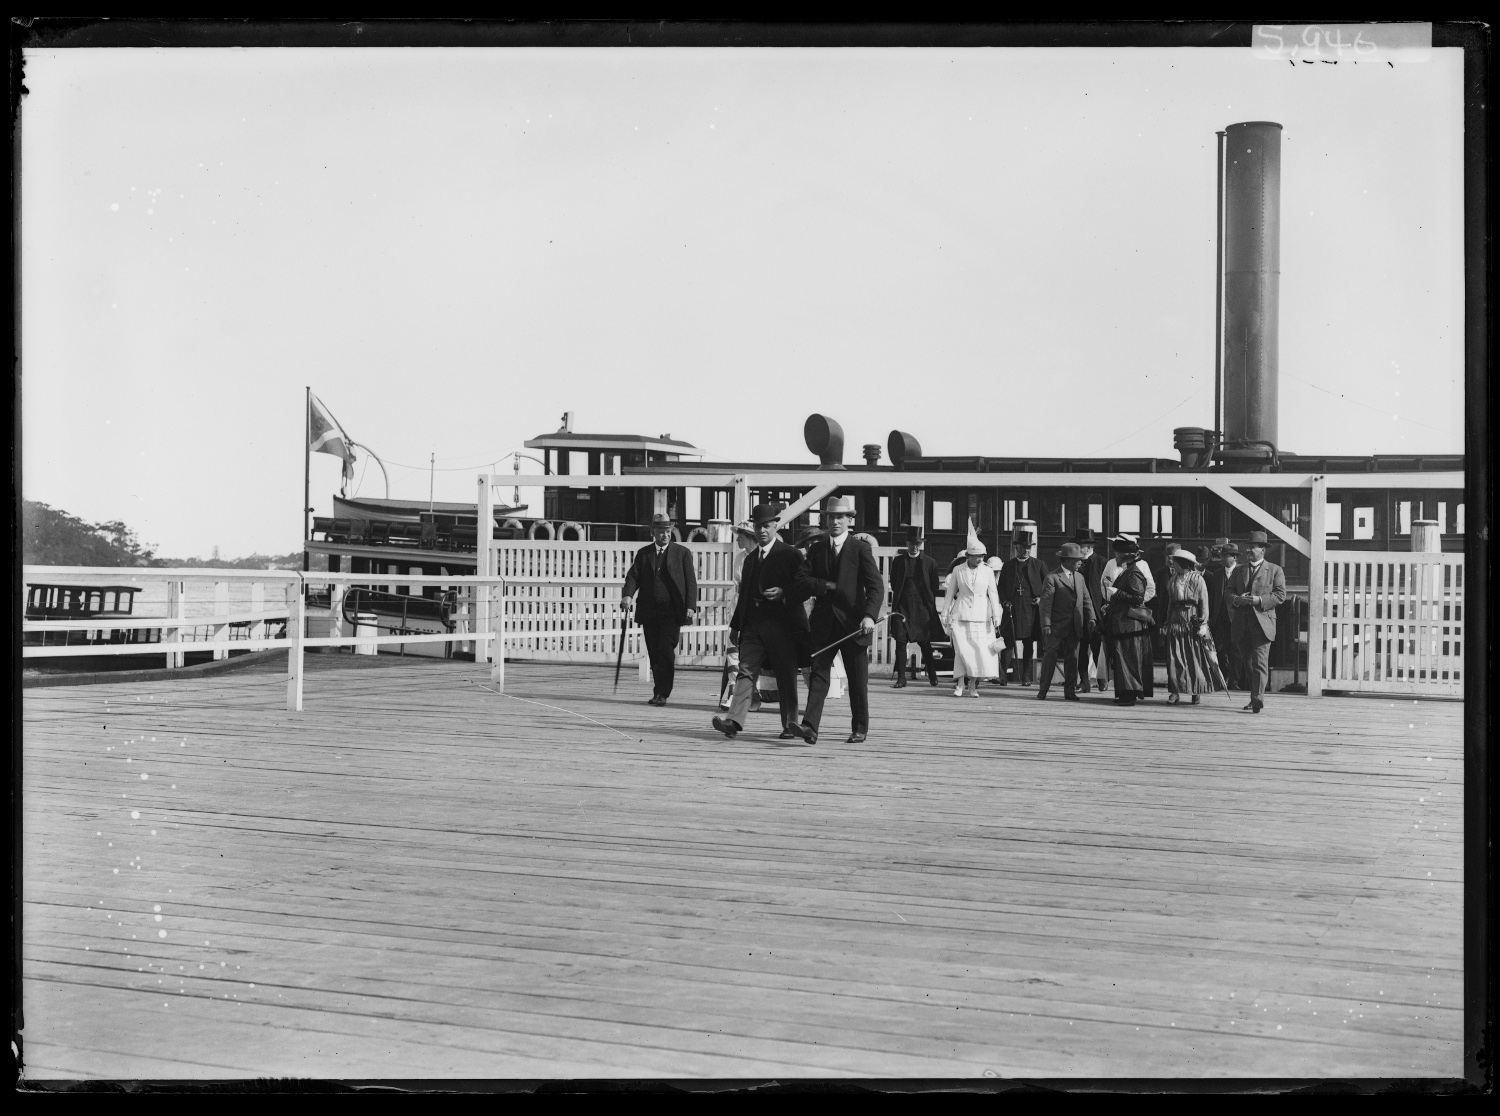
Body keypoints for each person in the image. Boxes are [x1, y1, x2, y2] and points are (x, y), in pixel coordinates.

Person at [714, 504, 815, 741]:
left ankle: (790, 725)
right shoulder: (750, 560)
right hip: (753, 627)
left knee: (786, 676)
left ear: (775, 526)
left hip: (783, 627)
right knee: (745, 672)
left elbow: (804, 588)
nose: (762, 531)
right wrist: (736, 627)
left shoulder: (791, 555)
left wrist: (784, 592)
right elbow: (745, 596)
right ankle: (733, 721)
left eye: (766, 526)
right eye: (758, 526)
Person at [798, 497, 883, 745]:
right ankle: (810, 727)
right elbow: (802, 581)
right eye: (831, 517)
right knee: (819, 675)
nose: (835, 521)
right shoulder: (816, 549)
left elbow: (875, 586)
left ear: (849, 520)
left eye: (840, 517)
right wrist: (826, 585)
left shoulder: (860, 549)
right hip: (824, 625)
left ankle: (859, 728)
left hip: (854, 625)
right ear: (826, 520)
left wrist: (869, 615)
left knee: (857, 680)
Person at [621, 512, 698, 706]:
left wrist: (690, 606)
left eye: (668, 531)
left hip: (672, 611)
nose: (665, 535)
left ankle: (663, 692)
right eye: (661, 531)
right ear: (653, 532)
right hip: (650, 611)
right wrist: (627, 595)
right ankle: (658, 691)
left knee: (666, 651)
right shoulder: (644, 554)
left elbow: (691, 582)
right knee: (655, 652)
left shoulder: (682, 553)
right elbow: (633, 576)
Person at [1226, 530, 1286, 714]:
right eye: (1248, 547)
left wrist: (1259, 600)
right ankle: (1254, 697)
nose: (1249, 551)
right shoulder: (1238, 570)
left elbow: (1280, 595)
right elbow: (1227, 594)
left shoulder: (1275, 570)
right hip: (1242, 624)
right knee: (1249, 663)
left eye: (1253, 548)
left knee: (1260, 662)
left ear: (1263, 550)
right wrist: (1237, 599)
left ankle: (1257, 699)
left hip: (1263, 624)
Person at [1162, 549, 1228, 704]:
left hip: (1192, 621)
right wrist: (1167, 622)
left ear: (1183, 563)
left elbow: (1204, 604)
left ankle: (1196, 690)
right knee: (1174, 658)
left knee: (1194, 657)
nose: (1173, 563)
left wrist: (1203, 623)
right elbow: (1170, 604)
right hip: (1176, 622)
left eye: (1176, 561)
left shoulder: (1198, 580)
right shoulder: (1172, 580)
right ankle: (1174, 692)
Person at [942, 534, 1003, 698]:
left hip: (982, 616)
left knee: (979, 651)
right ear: (968, 556)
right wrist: (944, 612)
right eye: (976, 556)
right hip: (960, 615)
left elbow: (993, 594)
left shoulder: (988, 571)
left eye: (982, 556)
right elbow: (950, 593)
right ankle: (960, 684)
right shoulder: (958, 570)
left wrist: (996, 614)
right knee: (962, 652)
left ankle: (973, 686)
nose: (980, 559)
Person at [1037, 542, 1098, 701]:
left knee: (1073, 659)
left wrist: (1091, 617)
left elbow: (1086, 599)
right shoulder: (1052, 578)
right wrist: (1046, 624)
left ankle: (1069, 691)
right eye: (1077, 560)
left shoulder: (1080, 577)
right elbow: (1045, 604)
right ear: (1067, 561)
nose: (1080, 562)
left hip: (1075, 626)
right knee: (1050, 656)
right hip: (1055, 627)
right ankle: (1043, 690)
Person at [1102, 536, 1155, 706]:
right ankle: (1125, 693)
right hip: (1124, 624)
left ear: (1125, 555)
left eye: (1117, 553)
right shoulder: (1129, 571)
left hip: (1129, 626)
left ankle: (1129, 695)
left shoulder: (1133, 573)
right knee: (1123, 658)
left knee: (1128, 659)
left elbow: (1138, 598)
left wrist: (1116, 593)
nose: (1115, 556)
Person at [719, 520, 764, 711]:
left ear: (750, 538)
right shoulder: (739, 558)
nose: (737, 539)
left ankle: (755, 695)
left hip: (756, 607)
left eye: (741, 536)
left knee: (754, 653)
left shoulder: (762, 557)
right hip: (738, 604)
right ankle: (733, 694)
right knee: (733, 651)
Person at [888, 525, 940, 688]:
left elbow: (934, 586)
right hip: (902, 606)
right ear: (907, 543)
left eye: (918, 543)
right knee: (901, 641)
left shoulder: (930, 563)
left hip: (921, 608)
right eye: (912, 543)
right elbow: (894, 583)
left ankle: (932, 674)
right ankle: (901, 678)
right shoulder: (898, 561)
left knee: (925, 643)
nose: (914, 546)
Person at [996, 532, 1045, 686]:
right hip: (1012, 609)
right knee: (1008, 642)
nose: (1026, 550)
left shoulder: (1039, 565)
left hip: (1031, 610)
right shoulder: (1008, 565)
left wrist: (1040, 598)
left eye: (1028, 547)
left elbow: (1048, 587)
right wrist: (1004, 602)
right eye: (1023, 547)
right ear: (1016, 547)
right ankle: (1002, 675)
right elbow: (1001, 587)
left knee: (1029, 643)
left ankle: (1026, 676)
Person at [1204, 540, 1241, 689]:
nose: (1223, 559)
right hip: (1219, 618)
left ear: (1234, 558)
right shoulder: (1217, 574)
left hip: (1236, 618)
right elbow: (1213, 597)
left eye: (1226, 556)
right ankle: (1224, 675)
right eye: (1222, 556)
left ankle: (1234, 681)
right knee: (1219, 649)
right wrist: (1210, 616)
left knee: (1236, 651)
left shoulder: (1242, 572)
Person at [1075, 529, 1108, 693]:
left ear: (1087, 547)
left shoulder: (1102, 563)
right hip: (1078, 613)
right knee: (1081, 649)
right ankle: (1084, 682)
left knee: (1097, 648)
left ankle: (1102, 679)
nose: (1077, 548)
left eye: (1080, 546)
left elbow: (1107, 589)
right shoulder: (1074, 562)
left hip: (1096, 614)